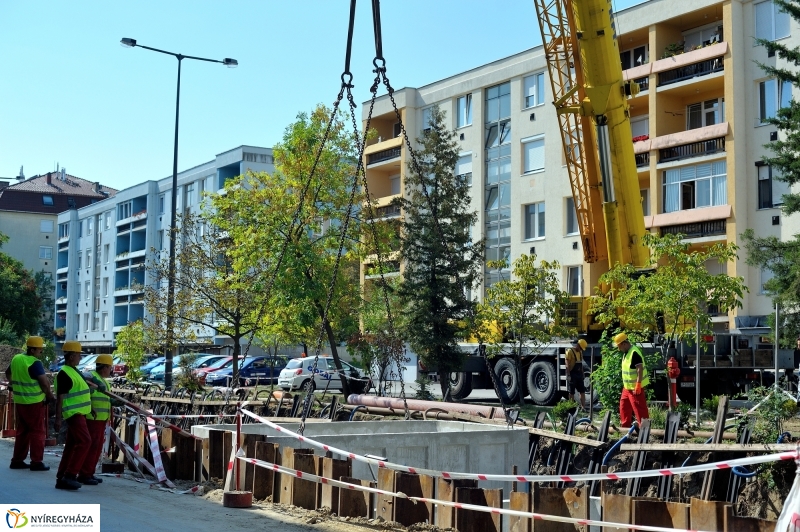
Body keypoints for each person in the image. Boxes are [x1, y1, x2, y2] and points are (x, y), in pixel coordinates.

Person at [5, 336, 56, 471]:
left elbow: (7, 373)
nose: (41, 352)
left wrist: (12, 384)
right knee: (38, 432)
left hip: (20, 401)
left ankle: (17, 460)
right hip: (34, 402)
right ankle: (36, 462)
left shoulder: (17, 359)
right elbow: (45, 384)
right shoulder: (34, 363)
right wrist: (50, 397)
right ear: (32, 350)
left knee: (23, 431)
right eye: (40, 349)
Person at [54, 341, 95, 490]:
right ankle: (70, 475)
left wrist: (90, 409)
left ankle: (62, 476)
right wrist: (58, 418)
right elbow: (60, 398)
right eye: (78, 355)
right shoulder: (64, 373)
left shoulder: (74, 371)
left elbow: (81, 392)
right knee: (85, 441)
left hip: (80, 413)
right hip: (73, 414)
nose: (80, 358)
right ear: (71, 356)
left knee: (72, 445)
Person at [80, 354, 121, 484]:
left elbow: (105, 398)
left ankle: (90, 472)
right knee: (92, 447)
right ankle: (85, 474)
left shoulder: (103, 381)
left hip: (101, 419)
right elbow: (85, 380)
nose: (111, 371)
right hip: (93, 418)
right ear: (104, 367)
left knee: (97, 448)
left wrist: (114, 402)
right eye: (110, 368)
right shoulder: (92, 376)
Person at [615, 332, 649, 428]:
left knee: (640, 411)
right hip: (627, 388)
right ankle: (625, 430)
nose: (618, 349)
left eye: (619, 346)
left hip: (635, 388)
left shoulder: (634, 353)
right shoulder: (626, 353)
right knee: (624, 408)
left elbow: (640, 369)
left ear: (624, 344)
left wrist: (638, 384)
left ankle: (645, 431)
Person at [565, 339, 588, 410]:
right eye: (580, 348)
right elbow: (567, 364)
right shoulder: (569, 351)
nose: (581, 349)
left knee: (582, 391)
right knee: (571, 392)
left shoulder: (580, 353)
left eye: (582, 349)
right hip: (572, 374)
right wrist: (568, 375)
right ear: (577, 345)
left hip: (579, 374)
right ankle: (571, 407)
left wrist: (583, 374)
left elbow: (581, 364)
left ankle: (583, 407)